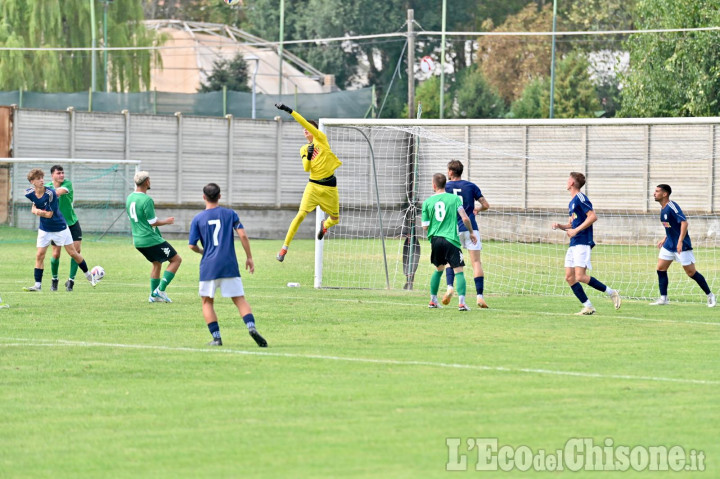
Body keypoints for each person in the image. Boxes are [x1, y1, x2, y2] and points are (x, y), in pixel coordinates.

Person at [188, 183, 268, 347]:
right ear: (220, 196)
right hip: (229, 264)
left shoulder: (198, 219)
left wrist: (204, 252)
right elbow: (243, 235)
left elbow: (191, 245)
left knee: (207, 302)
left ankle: (217, 338)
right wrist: (249, 257)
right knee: (239, 300)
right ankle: (251, 327)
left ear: (204, 197)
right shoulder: (230, 214)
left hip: (209, 266)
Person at [274, 103, 342, 262]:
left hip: (329, 188)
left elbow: (304, 122)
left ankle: (324, 226)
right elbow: (306, 168)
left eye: (308, 128)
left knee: (335, 219)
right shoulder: (304, 149)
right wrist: (309, 156)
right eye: (304, 129)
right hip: (312, 186)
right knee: (300, 215)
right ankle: (284, 248)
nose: (305, 130)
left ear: (314, 131)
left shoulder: (321, 139)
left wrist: (289, 111)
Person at [552, 172, 621, 315]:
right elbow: (573, 225)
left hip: (582, 241)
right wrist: (560, 226)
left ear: (572, 183)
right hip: (574, 242)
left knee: (580, 276)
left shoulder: (580, 198)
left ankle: (612, 292)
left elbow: (593, 216)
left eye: (568, 180)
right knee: (569, 277)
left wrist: (576, 230)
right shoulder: (572, 202)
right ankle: (588, 306)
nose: (566, 182)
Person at [23, 168, 96, 291]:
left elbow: (49, 214)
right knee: (40, 255)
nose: (41, 180)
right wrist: (36, 210)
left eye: (42, 178)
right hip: (44, 229)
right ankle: (37, 285)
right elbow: (34, 206)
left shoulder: (50, 193)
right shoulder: (28, 192)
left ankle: (89, 275)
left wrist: (37, 212)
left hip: (60, 227)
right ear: (32, 182)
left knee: (73, 253)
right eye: (38, 179)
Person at [650, 184, 715, 307]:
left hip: (681, 245)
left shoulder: (672, 206)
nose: (654, 193)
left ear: (665, 194)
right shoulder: (663, 208)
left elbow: (684, 223)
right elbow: (671, 226)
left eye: (657, 191)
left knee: (691, 273)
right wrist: (665, 238)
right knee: (660, 268)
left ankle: (710, 295)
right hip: (669, 244)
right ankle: (663, 298)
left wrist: (680, 241)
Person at [422, 173, 477, 311]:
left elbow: (425, 226)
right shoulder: (454, 199)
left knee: (438, 269)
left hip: (435, 240)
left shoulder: (427, 202)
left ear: (434, 186)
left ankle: (433, 301)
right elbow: (464, 218)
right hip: (450, 239)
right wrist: (471, 232)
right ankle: (462, 303)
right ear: (445, 185)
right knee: (459, 270)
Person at [126, 171, 182, 303]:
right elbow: (152, 222)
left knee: (157, 263)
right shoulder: (146, 200)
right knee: (176, 260)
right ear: (146, 182)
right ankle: (160, 290)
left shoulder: (129, 198)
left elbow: (132, 219)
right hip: (150, 239)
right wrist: (167, 221)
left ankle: (153, 295)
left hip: (138, 241)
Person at [442, 160, 490, 308]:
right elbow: (486, 205)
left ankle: (450, 287)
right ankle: (479, 297)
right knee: (476, 262)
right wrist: (477, 210)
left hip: (453, 229)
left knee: (451, 261)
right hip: (471, 228)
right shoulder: (471, 186)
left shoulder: (445, 187)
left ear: (450, 172)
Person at [45, 165, 83, 292]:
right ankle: (54, 280)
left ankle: (71, 282)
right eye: (58, 173)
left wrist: (41, 192)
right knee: (56, 254)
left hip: (72, 223)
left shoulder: (67, 184)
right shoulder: (47, 187)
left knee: (76, 252)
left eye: (62, 173)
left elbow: (59, 191)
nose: (61, 175)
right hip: (57, 226)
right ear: (52, 175)